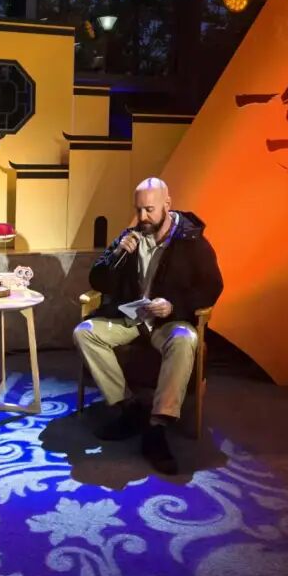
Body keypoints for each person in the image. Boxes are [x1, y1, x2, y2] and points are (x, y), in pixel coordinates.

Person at [73, 177, 223, 474]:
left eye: (150, 210)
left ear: (167, 204)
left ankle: (157, 426)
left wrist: (174, 306)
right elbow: (97, 280)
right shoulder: (130, 236)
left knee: (184, 338)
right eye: (138, 210)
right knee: (85, 333)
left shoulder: (191, 240)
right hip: (131, 319)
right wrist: (117, 254)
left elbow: (212, 287)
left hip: (170, 320)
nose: (143, 217)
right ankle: (129, 407)